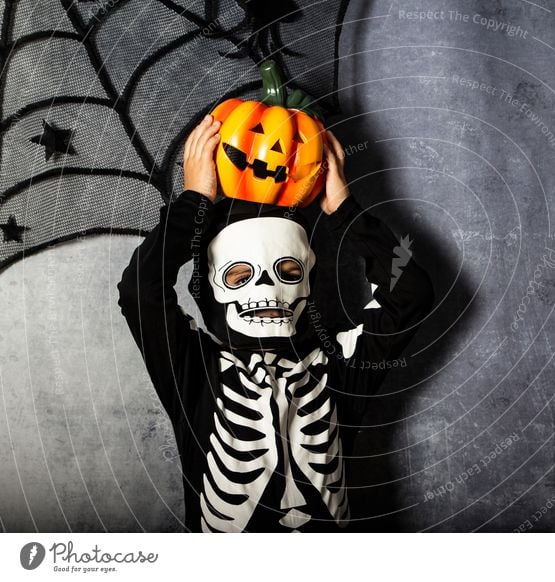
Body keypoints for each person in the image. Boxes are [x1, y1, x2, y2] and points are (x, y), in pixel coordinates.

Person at [117, 115, 434, 532]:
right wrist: (194, 202)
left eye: (286, 269)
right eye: (238, 276)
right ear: (212, 286)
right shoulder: (193, 370)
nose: (265, 286)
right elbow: (140, 291)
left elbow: (409, 291)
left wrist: (344, 211)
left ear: (307, 278)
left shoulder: (338, 368)